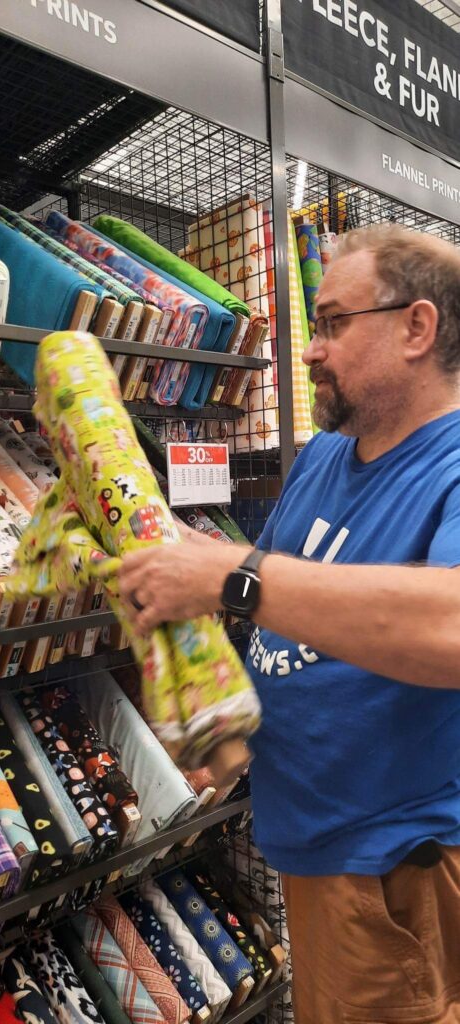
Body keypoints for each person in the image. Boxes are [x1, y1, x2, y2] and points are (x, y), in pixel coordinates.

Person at [119, 223, 460, 1024]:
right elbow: (274, 622)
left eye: (333, 322)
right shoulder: (320, 460)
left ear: (417, 327)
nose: (308, 350)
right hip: (314, 848)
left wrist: (231, 577)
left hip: (389, 869)